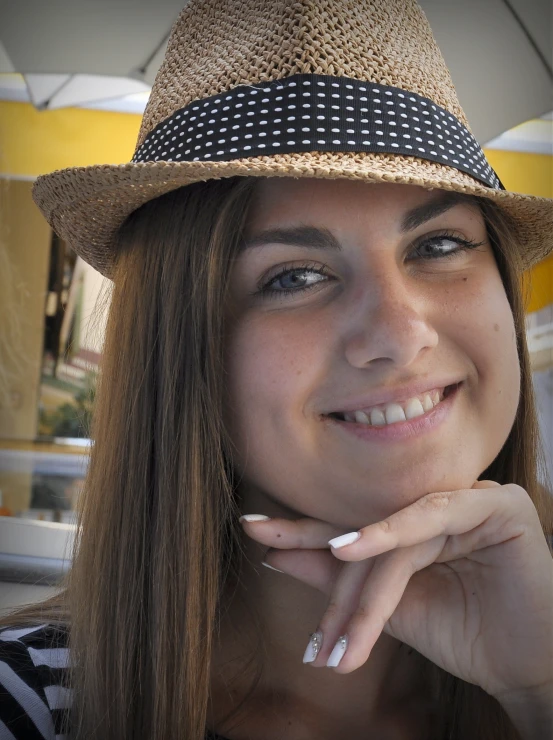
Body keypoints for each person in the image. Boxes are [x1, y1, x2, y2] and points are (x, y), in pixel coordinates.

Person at [1, 0, 552, 738]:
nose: (398, 333)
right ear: (182, 350)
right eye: (292, 276)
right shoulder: (27, 704)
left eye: (438, 245)